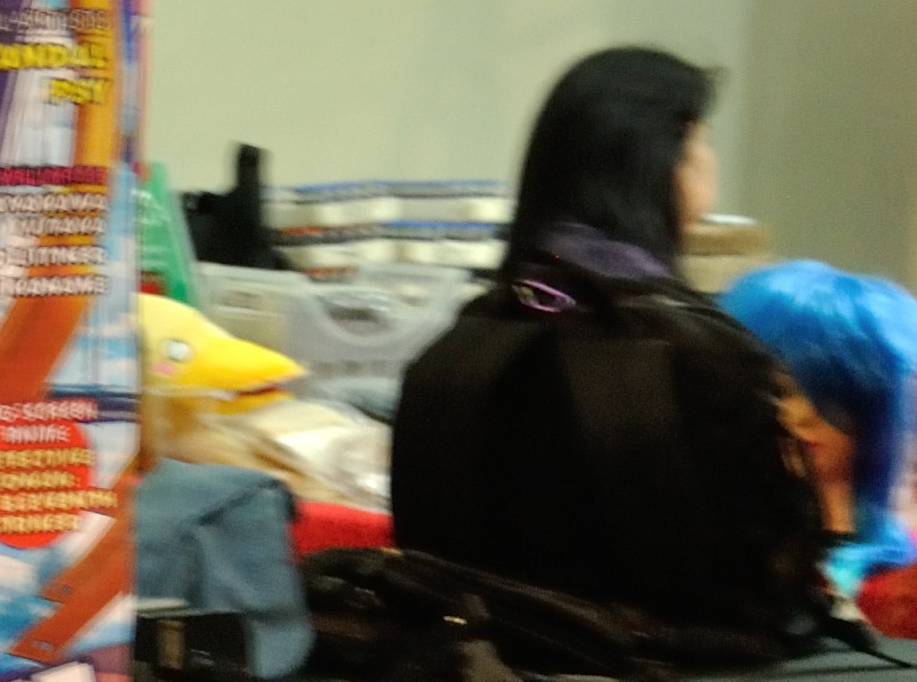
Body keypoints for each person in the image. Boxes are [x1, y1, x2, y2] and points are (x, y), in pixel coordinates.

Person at [390, 49, 825, 646]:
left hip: (473, 663)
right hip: (672, 677)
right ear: (665, 162)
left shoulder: (463, 338)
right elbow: (765, 585)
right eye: (702, 142)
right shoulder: (703, 356)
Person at [721, 260, 917, 600]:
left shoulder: (901, 587)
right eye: (779, 391)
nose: (802, 416)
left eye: (830, 398)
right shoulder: (718, 553)